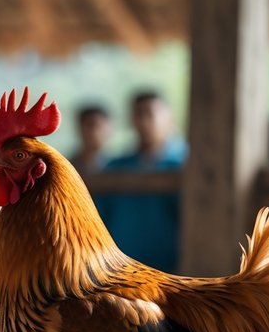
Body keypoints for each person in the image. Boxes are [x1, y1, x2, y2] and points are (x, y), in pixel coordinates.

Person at [95, 90, 186, 272]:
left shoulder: (183, 165)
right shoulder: (115, 168)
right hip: (120, 272)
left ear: (168, 118)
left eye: (150, 113)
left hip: (171, 272)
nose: (144, 121)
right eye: (138, 114)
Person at [69, 104, 112, 173]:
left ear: (109, 129)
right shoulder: (68, 166)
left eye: (98, 126)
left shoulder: (117, 164)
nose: (93, 132)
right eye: (89, 125)